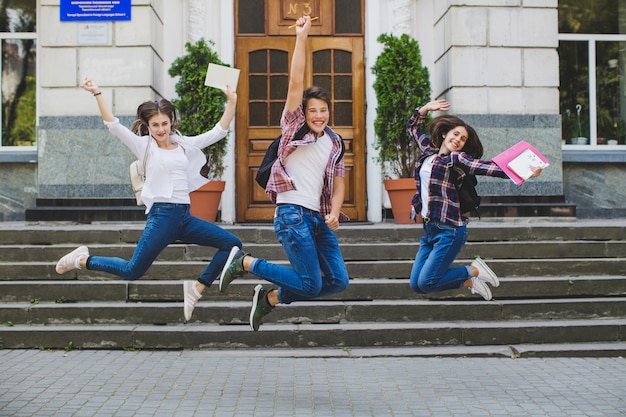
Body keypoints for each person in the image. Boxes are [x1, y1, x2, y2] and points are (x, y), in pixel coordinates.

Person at [55, 77, 242, 322]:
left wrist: (232, 102)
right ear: (148, 125)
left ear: (171, 122)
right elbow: (113, 125)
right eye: (155, 125)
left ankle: (197, 288)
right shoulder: (144, 146)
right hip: (162, 217)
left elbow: (218, 133)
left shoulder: (183, 144)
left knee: (233, 244)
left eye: (165, 123)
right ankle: (82, 259)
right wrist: (98, 93)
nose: (161, 129)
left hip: (184, 217)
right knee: (133, 270)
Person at [217, 15, 350, 331]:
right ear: (303, 112)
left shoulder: (334, 141)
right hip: (292, 214)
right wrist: (301, 38)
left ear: (329, 111)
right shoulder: (293, 129)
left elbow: (340, 182)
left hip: (318, 219)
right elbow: (295, 81)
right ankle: (247, 263)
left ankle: (270, 300)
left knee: (337, 281)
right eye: (312, 110)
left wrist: (335, 211)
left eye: (323, 110)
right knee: (309, 282)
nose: (318, 115)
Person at [406, 99, 542, 300]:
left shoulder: (458, 159)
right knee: (417, 285)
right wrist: (426, 108)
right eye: (455, 134)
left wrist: (527, 171)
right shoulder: (428, 153)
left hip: (450, 230)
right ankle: (469, 281)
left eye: (462, 139)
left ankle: (474, 270)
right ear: (445, 134)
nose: (458, 140)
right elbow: (412, 127)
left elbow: (492, 168)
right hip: (429, 229)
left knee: (427, 282)